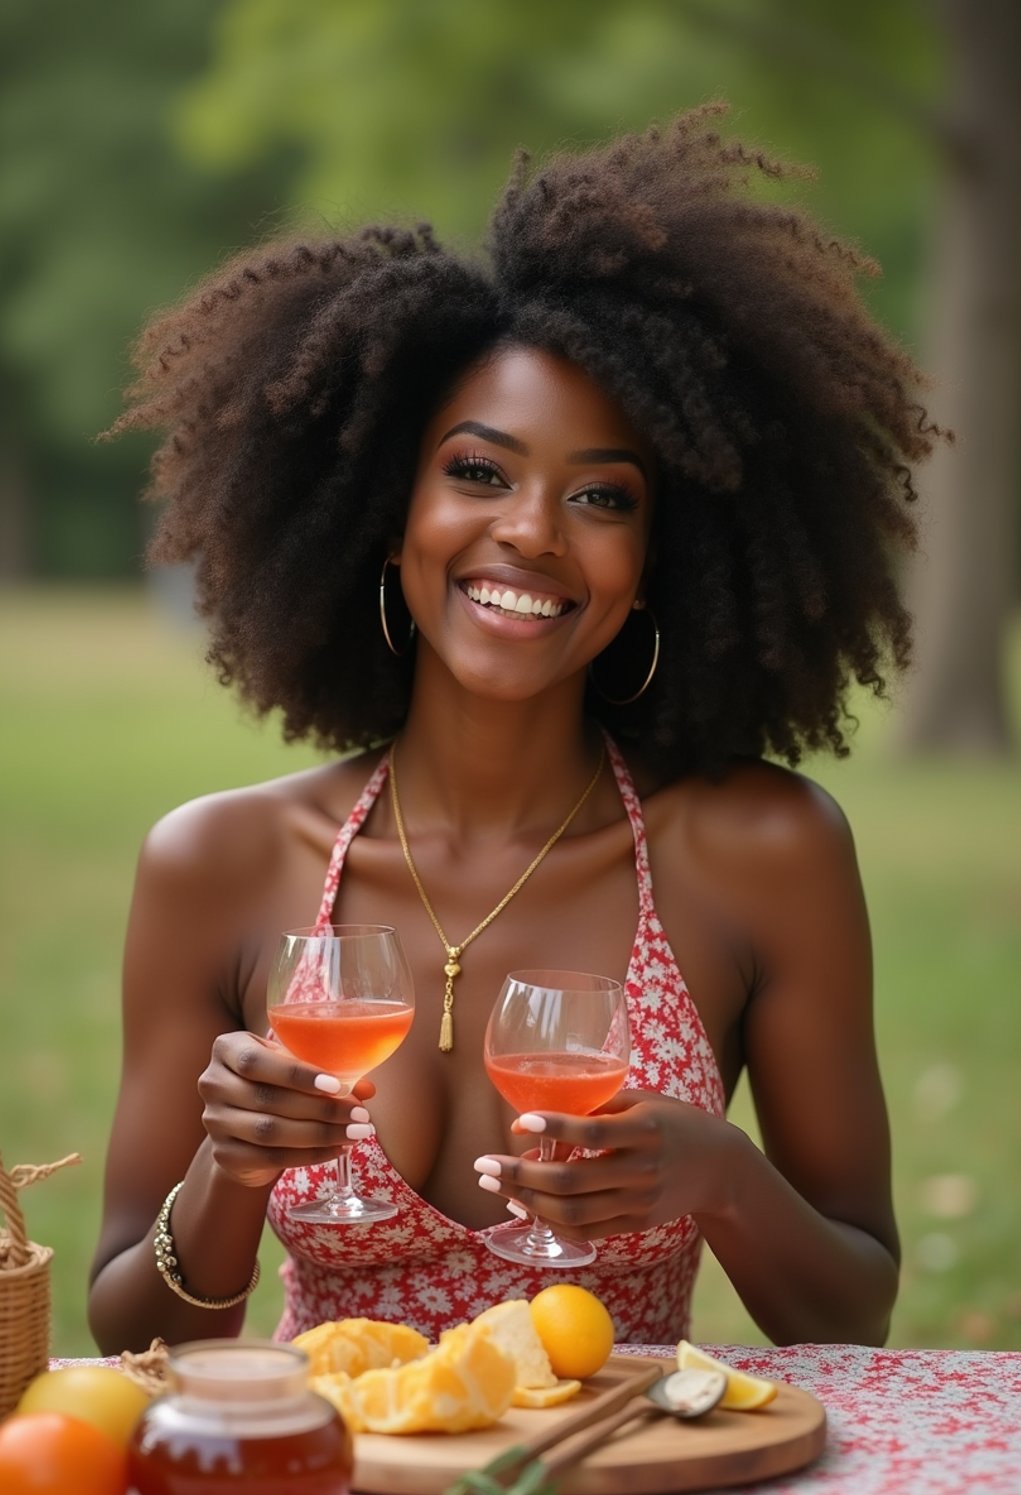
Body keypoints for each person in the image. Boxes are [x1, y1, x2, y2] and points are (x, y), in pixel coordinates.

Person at [89, 104, 937, 1357]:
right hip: (328, 1487)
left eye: (600, 496)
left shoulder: (763, 850)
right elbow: (125, 1333)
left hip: (632, 1487)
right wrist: (229, 1175)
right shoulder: (217, 864)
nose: (534, 532)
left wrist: (719, 1176)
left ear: (654, 564)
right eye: (478, 473)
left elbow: (853, 1309)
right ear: (389, 514)